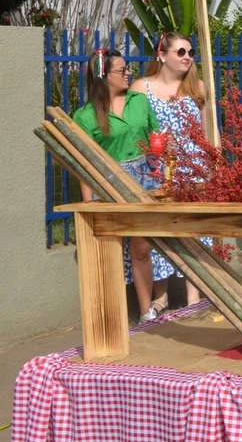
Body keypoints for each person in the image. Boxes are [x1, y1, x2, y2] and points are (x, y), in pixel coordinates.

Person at [73, 49, 165, 323]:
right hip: (110, 183)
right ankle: (109, 317)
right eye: (122, 70)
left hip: (145, 179)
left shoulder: (139, 101)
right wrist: (88, 202)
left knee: (142, 247)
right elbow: (85, 165)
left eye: (127, 68)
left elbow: (156, 134)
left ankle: (146, 310)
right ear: (103, 76)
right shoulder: (85, 116)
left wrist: (160, 150)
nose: (128, 73)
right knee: (110, 249)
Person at [130, 32, 211, 308]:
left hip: (194, 167)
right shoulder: (141, 87)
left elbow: (211, 129)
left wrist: (216, 165)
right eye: (180, 52)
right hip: (156, 167)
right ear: (162, 55)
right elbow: (134, 129)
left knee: (194, 230)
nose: (187, 56)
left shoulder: (197, 86)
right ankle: (160, 296)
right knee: (159, 229)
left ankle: (193, 296)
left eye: (190, 52)